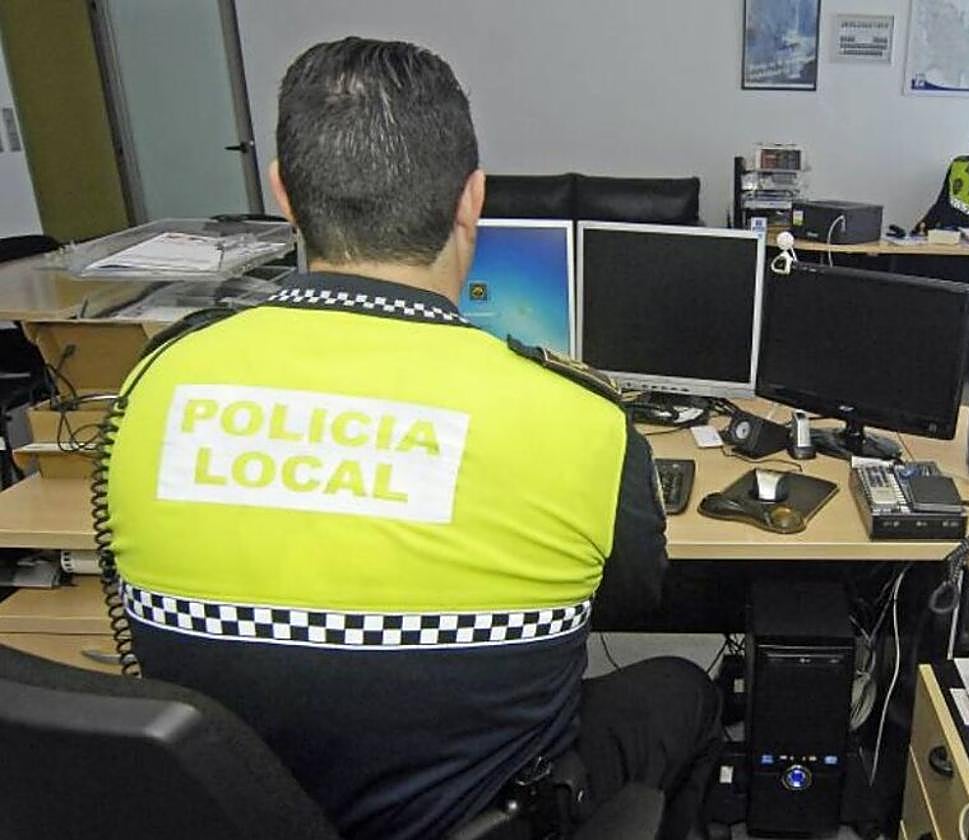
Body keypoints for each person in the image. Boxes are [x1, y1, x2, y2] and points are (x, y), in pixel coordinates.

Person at [99, 37, 722, 840]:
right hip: (500, 815)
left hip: (235, 809)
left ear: (283, 194)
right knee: (683, 690)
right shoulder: (582, 417)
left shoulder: (154, 384)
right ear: (473, 200)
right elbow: (634, 598)